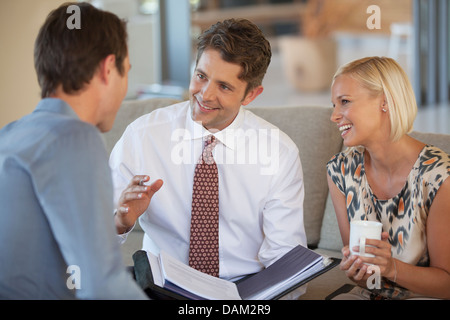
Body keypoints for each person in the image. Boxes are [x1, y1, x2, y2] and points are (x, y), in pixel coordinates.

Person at [111, 18, 307, 282]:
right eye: (201, 76)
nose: (205, 95)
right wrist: (121, 221)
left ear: (251, 95)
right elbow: (93, 237)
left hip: (242, 290)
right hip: (164, 285)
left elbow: (285, 259)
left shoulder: (279, 153)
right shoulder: (143, 135)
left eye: (224, 86)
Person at [0, 3, 147, 299]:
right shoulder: (74, 137)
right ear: (108, 69)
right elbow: (101, 285)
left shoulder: (11, 134)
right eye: (125, 72)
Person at [327, 56, 450, 299]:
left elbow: (446, 285)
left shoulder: (438, 175)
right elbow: (361, 277)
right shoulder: (339, 171)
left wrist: (391, 267)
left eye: (345, 102)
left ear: (384, 102)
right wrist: (357, 270)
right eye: (334, 105)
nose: (334, 116)